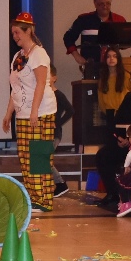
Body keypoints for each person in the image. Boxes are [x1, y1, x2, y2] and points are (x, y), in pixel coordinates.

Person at [3, 12, 59, 212]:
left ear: (29, 31)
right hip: (23, 114)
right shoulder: (18, 56)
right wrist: (8, 113)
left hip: (41, 113)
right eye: (13, 33)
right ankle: (33, 197)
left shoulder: (39, 54)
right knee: (25, 157)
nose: (15, 36)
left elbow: (41, 83)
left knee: (38, 156)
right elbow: (16, 88)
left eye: (17, 32)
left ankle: (44, 200)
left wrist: (34, 110)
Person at [93, 67, 131, 209]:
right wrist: (121, 138)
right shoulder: (129, 98)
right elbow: (117, 121)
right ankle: (113, 193)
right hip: (127, 142)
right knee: (103, 155)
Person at [62, 0, 127, 77]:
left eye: (108, 3)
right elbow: (68, 37)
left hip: (113, 67)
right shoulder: (84, 20)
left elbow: (124, 44)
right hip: (91, 66)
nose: (105, 6)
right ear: (95, 3)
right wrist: (76, 56)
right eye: (101, 4)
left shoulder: (119, 20)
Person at [50, 64, 74, 197]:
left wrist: (57, 123)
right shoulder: (43, 94)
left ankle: (60, 183)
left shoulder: (58, 95)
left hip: (54, 133)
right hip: (43, 132)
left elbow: (70, 110)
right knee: (41, 159)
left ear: (54, 78)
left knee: (44, 159)